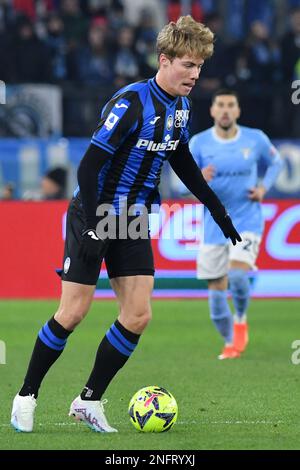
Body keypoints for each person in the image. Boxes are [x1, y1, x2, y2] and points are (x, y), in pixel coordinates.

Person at [11, 16, 241, 434]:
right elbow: (89, 166)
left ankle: (88, 401)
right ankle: (26, 395)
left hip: (133, 219)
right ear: (164, 60)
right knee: (73, 311)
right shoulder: (131, 103)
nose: (195, 74)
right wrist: (98, 224)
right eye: (188, 65)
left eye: (200, 66)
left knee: (137, 315)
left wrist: (217, 209)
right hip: (95, 213)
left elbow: (182, 161)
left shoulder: (182, 108)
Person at [189, 89, 283, 360]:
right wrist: (198, 179)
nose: (226, 110)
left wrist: (265, 187)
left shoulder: (255, 139)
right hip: (213, 226)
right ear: (213, 110)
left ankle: (240, 318)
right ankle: (230, 343)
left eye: (231, 105)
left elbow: (276, 162)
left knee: (239, 276)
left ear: (238, 111)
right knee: (217, 299)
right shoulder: (199, 143)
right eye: (221, 105)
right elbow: (182, 188)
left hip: (247, 220)